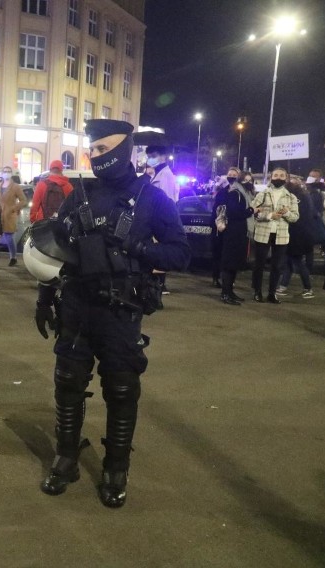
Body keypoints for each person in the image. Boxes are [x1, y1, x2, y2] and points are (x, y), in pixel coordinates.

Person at [37, 119, 190, 508]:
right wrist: (43, 294)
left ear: (126, 149)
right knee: (67, 382)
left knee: (121, 389)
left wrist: (138, 247)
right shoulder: (78, 194)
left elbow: (180, 253)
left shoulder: (152, 198)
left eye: (104, 150)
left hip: (121, 312)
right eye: (93, 151)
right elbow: (55, 248)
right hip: (75, 304)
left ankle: (116, 466)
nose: (96, 157)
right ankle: (67, 457)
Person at [250, 167, 299, 303]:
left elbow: (295, 217)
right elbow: (253, 211)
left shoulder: (291, 197)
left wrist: (286, 213)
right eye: (276, 175)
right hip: (262, 233)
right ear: (271, 177)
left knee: (277, 266)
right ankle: (257, 291)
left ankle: (272, 293)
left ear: (286, 178)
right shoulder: (263, 194)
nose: (278, 178)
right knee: (259, 264)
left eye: (281, 175)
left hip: (281, 236)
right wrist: (270, 215)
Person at [277, 177, 322, 299]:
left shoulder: (296, 199)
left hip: (296, 236)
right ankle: (283, 286)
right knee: (289, 262)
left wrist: (285, 213)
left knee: (296, 262)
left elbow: (294, 218)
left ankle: (308, 288)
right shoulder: (305, 197)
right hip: (302, 235)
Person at [215, 168, 252, 305]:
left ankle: (230, 291)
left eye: (250, 180)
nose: (248, 182)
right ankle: (225, 293)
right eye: (245, 180)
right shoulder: (235, 193)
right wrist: (251, 210)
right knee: (229, 263)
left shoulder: (245, 194)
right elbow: (234, 213)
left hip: (240, 233)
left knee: (234, 264)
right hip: (232, 233)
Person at [146, 145, 178, 295]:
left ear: (163, 156)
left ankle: (158, 290)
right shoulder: (157, 174)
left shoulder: (165, 176)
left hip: (159, 223)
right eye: (149, 155)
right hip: (155, 221)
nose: (150, 158)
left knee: (158, 256)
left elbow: (165, 202)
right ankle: (156, 289)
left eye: (153, 155)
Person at [0, 166, 27, 267]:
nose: (6, 173)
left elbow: (23, 200)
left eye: (9, 171)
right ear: (2, 173)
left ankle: (13, 257)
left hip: (10, 214)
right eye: (5, 171)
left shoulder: (15, 186)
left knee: (9, 236)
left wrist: (14, 208)